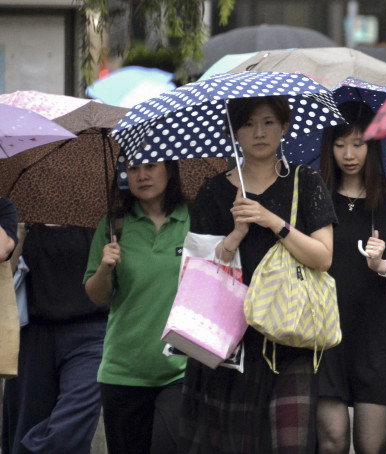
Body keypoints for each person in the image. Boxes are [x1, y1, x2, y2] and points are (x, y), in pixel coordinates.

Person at [177, 95, 336, 453]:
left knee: (288, 443)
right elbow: (198, 268)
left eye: (268, 122)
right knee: (229, 443)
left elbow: (323, 257)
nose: (259, 132)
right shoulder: (213, 191)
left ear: (284, 127)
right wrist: (234, 236)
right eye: (247, 124)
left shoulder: (304, 181)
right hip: (227, 337)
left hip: (288, 334)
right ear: (234, 132)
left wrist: (273, 221)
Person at [315, 101, 386, 454]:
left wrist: (384, 267)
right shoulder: (315, 194)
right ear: (328, 147)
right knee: (331, 440)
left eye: (358, 144)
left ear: (373, 144)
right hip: (325, 331)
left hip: (376, 336)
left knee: (371, 444)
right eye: (340, 144)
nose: (349, 154)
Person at [84, 160, 189, 454]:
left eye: (151, 166)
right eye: (132, 169)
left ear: (170, 170)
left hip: (180, 368)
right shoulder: (112, 225)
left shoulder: (193, 219)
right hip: (123, 370)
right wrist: (105, 268)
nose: (141, 175)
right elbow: (96, 295)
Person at [2, 220, 107, 454]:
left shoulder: (101, 213)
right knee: (25, 425)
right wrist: (16, 235)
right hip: (32, 334)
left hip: (92, 331)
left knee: (71, 426)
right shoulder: (21, 214)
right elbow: (5, 277)